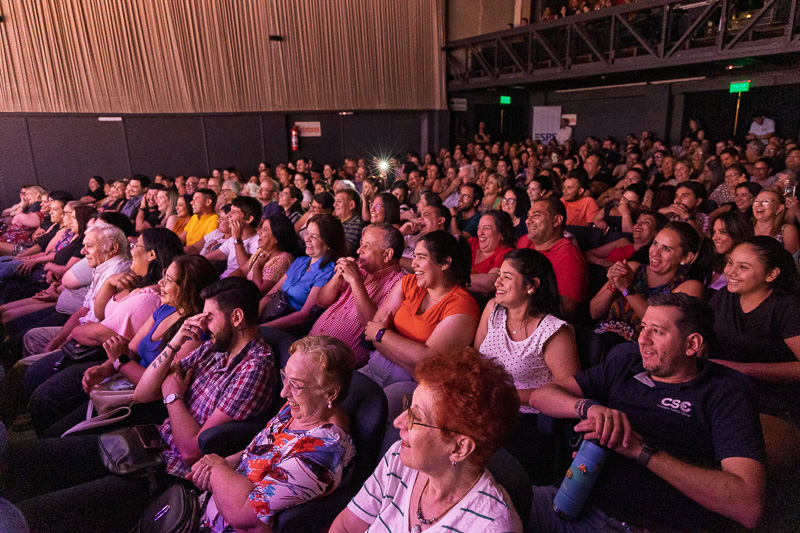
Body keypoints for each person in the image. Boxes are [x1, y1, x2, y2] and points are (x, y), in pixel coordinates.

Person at [3, 277, 279, 532]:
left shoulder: (254, 368)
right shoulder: (215, 348)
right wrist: (176, 341)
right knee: (29, 460)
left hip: (166, 472)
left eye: (209, 317)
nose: (203, 324)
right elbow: (145, 392)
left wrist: (173, 396)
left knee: (36, 514)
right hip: (148, 443)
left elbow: (191, 451)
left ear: (237, 317)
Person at [529, 293, 766, 532]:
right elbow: (542, 396)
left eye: (658, 331)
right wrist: (590, 408)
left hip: (636, 525)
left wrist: (641, 450)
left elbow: (747, 505)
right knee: (503, 491)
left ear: (692, 344)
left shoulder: (725, 393)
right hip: (573, 501)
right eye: (643, 327)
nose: (643, 339)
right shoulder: (626, 365)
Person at [330, 348, 523, 533]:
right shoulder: (398, 458)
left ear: (459, 447)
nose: (398, 422)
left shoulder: (491, 526)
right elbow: (345, 527)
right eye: (408, 406)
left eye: (416, 417)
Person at [22, 227, 184, 436]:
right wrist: (108, 284)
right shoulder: (136, 283)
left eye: (136, 245)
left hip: (106, 360)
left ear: (152, 254)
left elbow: (106, 336)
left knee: (46, 396)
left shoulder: (149, 298)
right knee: (39, 384)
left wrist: (108, 357)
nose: (131, 250)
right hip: (108, 360)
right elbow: (98, 314)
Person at [190, 335, 356, 532]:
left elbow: (243, 512)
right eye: (285, 377)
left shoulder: (322, 452)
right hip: (212, 506)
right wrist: (219, 465)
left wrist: (217, 469)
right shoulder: (297, 409)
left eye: (296, 384)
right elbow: (256, 453)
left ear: (330, 393)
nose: (283, 392)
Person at [46, 255, 220, 436]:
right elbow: (132, 349)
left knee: (65, 433)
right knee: (52, 403)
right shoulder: (166, 309)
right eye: (163, 275)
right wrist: (104, 370)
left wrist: (120, 361)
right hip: (123, 385)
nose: (160, 282)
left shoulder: (195, 334)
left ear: (188, 288)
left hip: (143, 406)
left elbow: (155, 387)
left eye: (167, 280)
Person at [474, 249, 579, 483]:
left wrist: (506, 395)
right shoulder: (493, 309)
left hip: (528, 421)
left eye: (507, 277)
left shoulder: (553, 332)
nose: (497, 282)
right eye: (499, 274)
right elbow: (477, 359)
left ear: (532, 286)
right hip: (487, 405)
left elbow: (570, 391)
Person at [361, 231, 481, 418]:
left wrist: (384, 335)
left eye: (421, 257)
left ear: (445, 263)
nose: (413, 263)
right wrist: (410, 362)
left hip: (415, 385)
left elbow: (428, 359)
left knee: (373, 412)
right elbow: (371, 329)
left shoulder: (462, 305)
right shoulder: (408, 283)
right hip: (378, 365)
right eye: (414, 256)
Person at [709, 237, 800, 467]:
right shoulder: (723, 298)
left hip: (775, 405)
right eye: (730, 263)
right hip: (726, 394)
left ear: (771, 275)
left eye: (743, 267)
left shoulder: (786, 306)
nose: (731, 271)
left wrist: (743, 370)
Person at [591, 221, 708, 352]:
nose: (655, 253)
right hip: (600, 339)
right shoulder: (633, 268)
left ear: (686, 258)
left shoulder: (689, 287)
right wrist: (615, 283)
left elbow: (659, 326)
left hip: (639, 352)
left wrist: (627, 289)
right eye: (655, 243)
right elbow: (594, 312)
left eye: (666, 249)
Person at [312, 224, 406, 367]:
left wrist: (355, 281)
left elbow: (372, 325)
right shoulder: (360, 267)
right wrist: (336, 278)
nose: (358, 250)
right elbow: (321, 303)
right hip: (313, 343)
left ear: (387, 255)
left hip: (338, 363)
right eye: (361, 244)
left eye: (366, 246)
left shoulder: (399, 283)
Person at [260, 214, 347, 333]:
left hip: (290, 329)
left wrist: (262, 328)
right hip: (272, 315)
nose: (307, 238)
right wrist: (254, 318)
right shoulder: (300, 261)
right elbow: (271, 294)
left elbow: (304, 316)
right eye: (307, 233)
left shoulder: (329, 271)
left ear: (328, 243)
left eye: (314, 236)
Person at [518, 197, 588, 320]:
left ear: (556, 221)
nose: (528, 221)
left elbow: (567, 310)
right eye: (528, 216)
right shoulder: (524, 241)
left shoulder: (569, 256)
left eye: (536, 215)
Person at [204, 196, 261, 278]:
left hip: (236, 285)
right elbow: (209, 257)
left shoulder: (258, 241)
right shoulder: (232, 239)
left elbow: (245, 270)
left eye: (234, 212)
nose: (228, 215)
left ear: (248, 219)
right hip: (223, 279)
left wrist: (238, 240)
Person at [586, 210, 666, 268]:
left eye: (646, 222)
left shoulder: (653, 256)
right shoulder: (623, 242)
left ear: (656, 232)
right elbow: (588, 254)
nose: (639, 225)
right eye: (637, 222)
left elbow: (626, 291)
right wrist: (602, 262)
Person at [246, 213, 301, 295]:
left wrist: (257, 266)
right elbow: (242, 270)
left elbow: (258, 290)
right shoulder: (262, 251)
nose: (258, 232)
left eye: (264, 229)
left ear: (277, 238)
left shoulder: (283, 259)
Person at [468, 210, 515, 295]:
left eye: (486, 228)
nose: (480, 233)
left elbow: (491, 283)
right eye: (479, 228)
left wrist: (454, 280)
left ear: (501, 233)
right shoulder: (472, 243)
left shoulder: (505, 253)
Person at [708, 211, 754, 290]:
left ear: (738, 233)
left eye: (722, 232)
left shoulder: (747, 269)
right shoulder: (711, 259)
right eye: (714, 232)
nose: (714, 237)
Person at [752, 189, 800, 256]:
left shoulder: (786, 230)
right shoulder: (745, 226)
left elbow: (789, 257)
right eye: (756, 201)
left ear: (779, 208)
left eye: (766, 201)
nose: (759, 205)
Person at [333, 188, 363, 254]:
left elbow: (345, 249)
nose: (334, 205)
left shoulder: (357, 223)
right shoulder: (335, 220)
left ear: (351, 205)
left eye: (339, 201)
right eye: (335, 201)